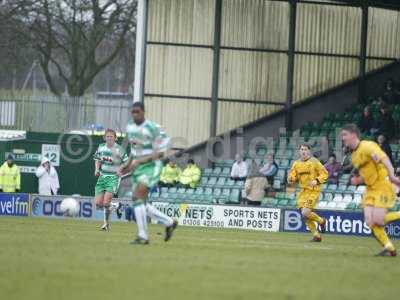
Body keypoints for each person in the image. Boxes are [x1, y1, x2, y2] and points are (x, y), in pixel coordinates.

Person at [119, 102, 178, 245]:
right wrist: (127, 165)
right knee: (140, 202)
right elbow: (134, 150)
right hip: (139, 168)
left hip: (152, 166)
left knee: (137, 197)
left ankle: (143, 236)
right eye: (132, 112)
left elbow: (161, 153)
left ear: (144, 112)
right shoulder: (130, 127)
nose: (135, 114)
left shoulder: (153, 128)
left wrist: (140, 161)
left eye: (137, 112)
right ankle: (169, 222)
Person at [341, 123, 400, 257]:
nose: (343, 138)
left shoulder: (367, 146)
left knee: (378, 221)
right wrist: (357, 180)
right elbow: (366, 173)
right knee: (369, 221)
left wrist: (391, 175)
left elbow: (384, 158)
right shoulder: (354, 156)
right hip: (370, 189)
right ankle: (389, 246)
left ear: (353, 135)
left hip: (381, 185)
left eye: (345, 135)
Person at [287, 144, 328, 242]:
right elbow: (292, 176)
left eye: (305, 149)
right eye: (301, 149)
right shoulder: (296, 164)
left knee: (305, 212)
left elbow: (325, 173)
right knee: (304, 215)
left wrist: (317, 180)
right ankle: (316, 236)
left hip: (313, 190)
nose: (303, 151)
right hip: (303, 192)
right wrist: (291, 179)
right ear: (299, 151)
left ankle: (322, 221)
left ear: (309, 151)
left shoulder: (314, 162)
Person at [93, 129, 128, 231]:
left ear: (115, 138)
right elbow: (97, 159)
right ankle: (117, 206)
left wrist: (120, 169)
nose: (109, 138)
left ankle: (105, 225)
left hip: (113, 177)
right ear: (104, 138)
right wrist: (96, 169)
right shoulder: (101, 147)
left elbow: (126, 162)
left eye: (111, 136)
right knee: (98, 204)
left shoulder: (119, 149)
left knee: (106, 202)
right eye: (107, 136)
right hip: (102, 176)